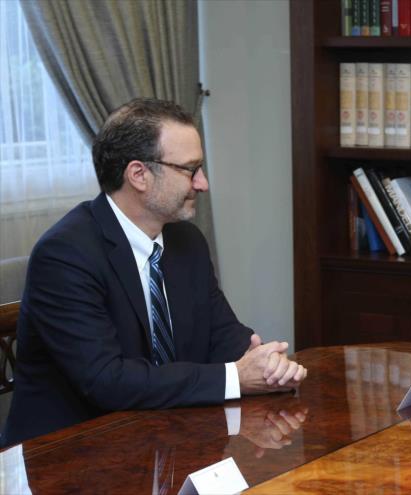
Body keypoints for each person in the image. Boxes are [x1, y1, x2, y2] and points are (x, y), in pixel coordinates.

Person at [2, 98, 307, 446]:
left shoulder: (187, 241)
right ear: (139, 175)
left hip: (166, 437)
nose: (202, 183)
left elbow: (222, 335)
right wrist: (235, 377)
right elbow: (107, 381)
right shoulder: (65, 255)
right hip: (72, 451)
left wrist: (266, 365)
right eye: (190, 169)